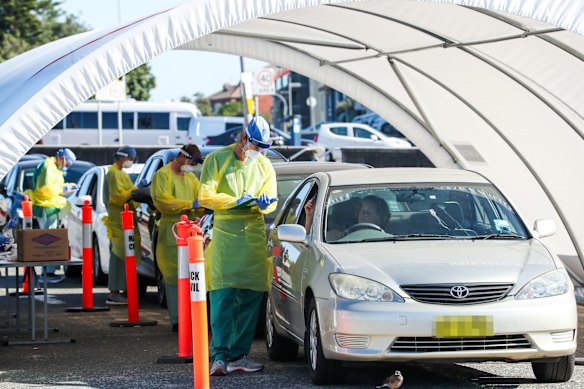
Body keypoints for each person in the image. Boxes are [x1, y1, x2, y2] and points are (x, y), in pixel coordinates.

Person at [199, 116, 277, 376]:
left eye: (263, 148)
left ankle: (239, 356)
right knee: (222, 297)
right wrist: (235, 201)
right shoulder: (216, 160)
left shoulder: (265, 166)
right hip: (226, 234)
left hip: (253, 235)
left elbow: (272, 199)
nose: (259, 153)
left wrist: (266, 204)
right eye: (256, 146)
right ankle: (219, 356)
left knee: (250, 297)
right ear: (243, 139)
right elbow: (205, 195)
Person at [151, 144, 203, 331]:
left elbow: (201, 199)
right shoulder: (162, 176)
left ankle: (192, 318)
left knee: (193, 276)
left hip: (192, 231)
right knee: (174, 277)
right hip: (171, 231)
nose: (192, 166)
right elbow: (163, 202)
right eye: (191, 161)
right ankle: (177, 320)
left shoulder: (190, 178)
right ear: (182, 156)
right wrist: (190, 204)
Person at [27, 147, 78, 283]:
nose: (66, 167)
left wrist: (67, 186)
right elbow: (44, 189)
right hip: (46, 206)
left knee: (51, 238)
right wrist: (63, 190)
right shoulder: (47, 166)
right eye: (67, 163)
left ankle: (49, 271)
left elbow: (53, 186)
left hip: (50, 205)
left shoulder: (53, 167)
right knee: (49, 240)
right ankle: (47, 273)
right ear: (63, 158)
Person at [105, 146, 140, 305]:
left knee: (125, 255)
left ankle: (123, 288)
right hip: (118, 221)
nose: (131, 162)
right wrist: (134, 191)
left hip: (125, 220)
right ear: (124, 158)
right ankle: (114, 291)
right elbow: (118, 197)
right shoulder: (113, 173)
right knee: (118, 255)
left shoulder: (121, 173)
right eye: (130, 159)